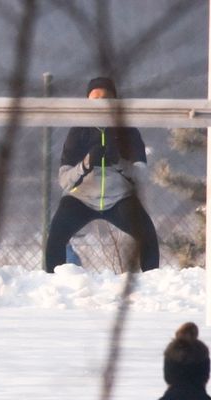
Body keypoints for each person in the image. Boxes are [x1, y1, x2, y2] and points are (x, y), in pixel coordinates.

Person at [44, 77, 159, 273]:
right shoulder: (78, 132)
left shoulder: (128, 132)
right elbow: (64, 179)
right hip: (81, 198)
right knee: (55, 237)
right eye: (94, 99)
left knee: (148, 236)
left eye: (106, 98)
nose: (100, 104)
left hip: (120, 199)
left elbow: (141, 176)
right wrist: (86, 163)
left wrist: (120, 164)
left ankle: (152, 285)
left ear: (115, 100)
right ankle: (54, 285)